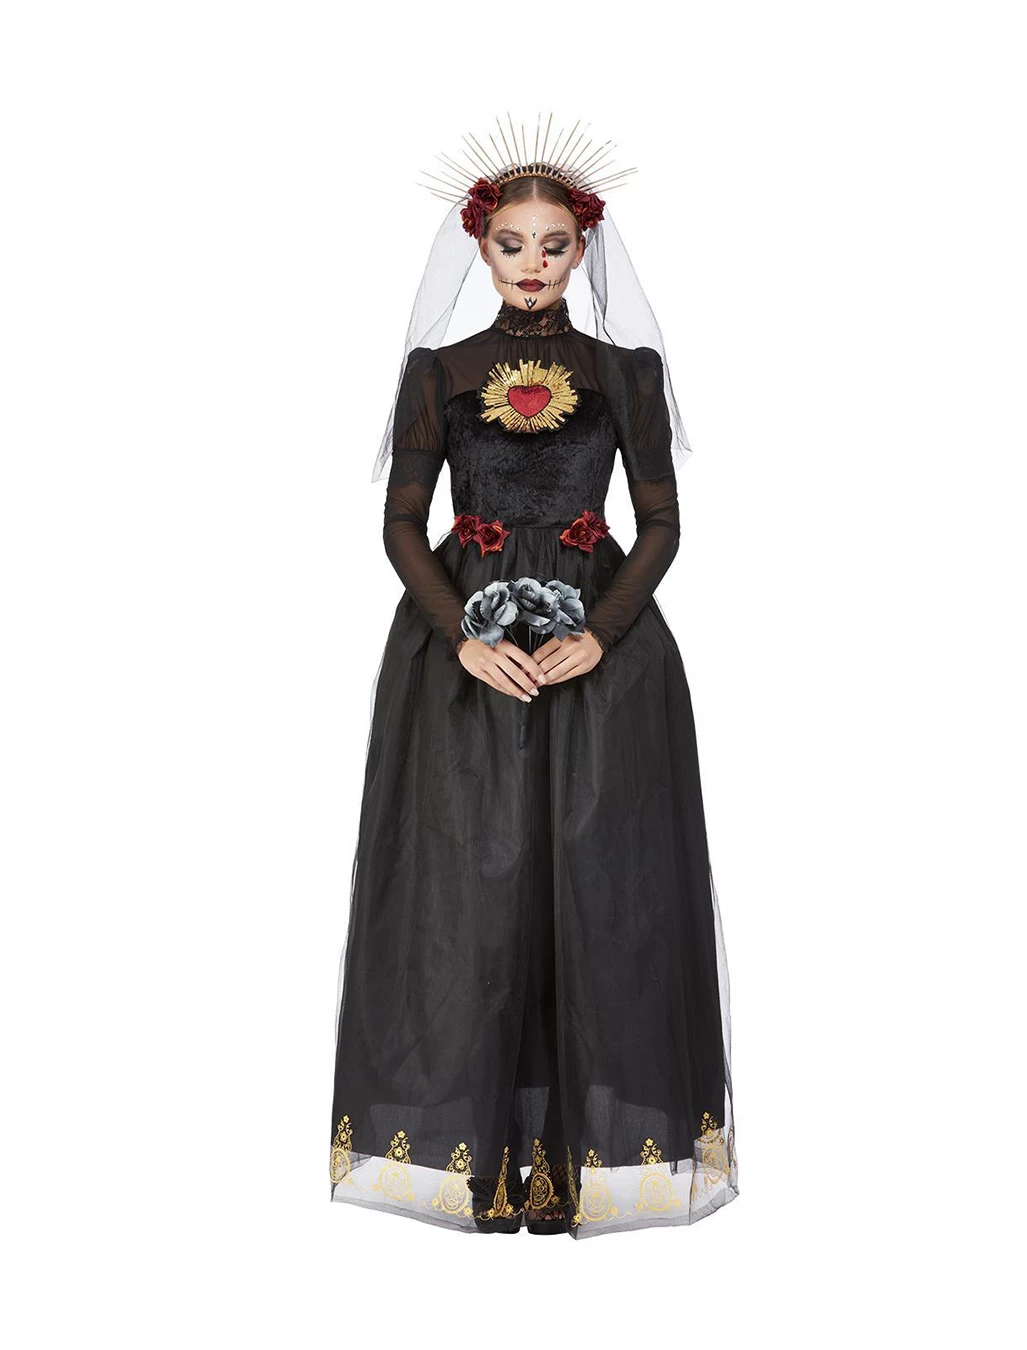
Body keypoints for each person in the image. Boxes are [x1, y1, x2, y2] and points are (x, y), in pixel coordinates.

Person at [329, 116, 738, 1238]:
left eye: (554, 245)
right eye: (511, 243)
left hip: (598, 656)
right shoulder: (439, 374)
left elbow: (660, 523)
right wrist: (458, 635)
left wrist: (603, 632)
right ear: (481, 246)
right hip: (466, 653)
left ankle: (572, 1163)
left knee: (598, 884)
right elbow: (401, 523)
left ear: (581, 248)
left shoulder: (625, 374)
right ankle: (483, 1161)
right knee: (474, 887)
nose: (532, 263)